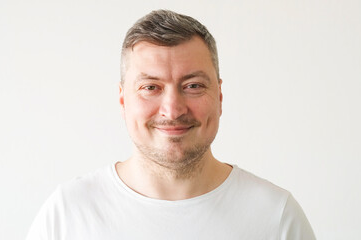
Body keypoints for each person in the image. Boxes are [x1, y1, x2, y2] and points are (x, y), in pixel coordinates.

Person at [26, 9, 315, 240]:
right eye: (151, 87)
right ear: (123, 99)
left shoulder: (276, 217)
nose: (173, 110)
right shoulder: (67, 215)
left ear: (220, 96)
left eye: (193, 85)